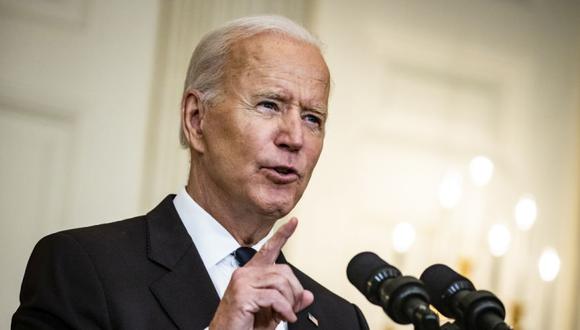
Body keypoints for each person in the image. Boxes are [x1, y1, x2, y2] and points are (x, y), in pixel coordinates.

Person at [12, 15, 369, 330]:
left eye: (313, 118)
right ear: (196, 120)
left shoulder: (341, 319)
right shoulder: (82, 268)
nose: (294, 138)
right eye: (269, 105)